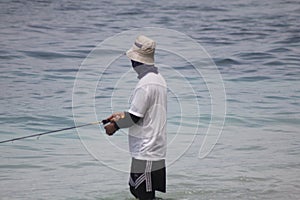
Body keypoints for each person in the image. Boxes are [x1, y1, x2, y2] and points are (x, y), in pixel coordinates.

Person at [103, 35, 167, 200]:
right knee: (136, 190)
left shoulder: (145, 84)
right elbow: (142, 113)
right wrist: (121, 115)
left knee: (143, 195)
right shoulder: (158, 78)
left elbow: (134, 119)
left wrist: (113, 127)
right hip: (154, 149)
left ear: (135, 61)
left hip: (147, 151)